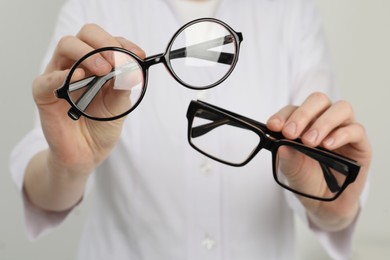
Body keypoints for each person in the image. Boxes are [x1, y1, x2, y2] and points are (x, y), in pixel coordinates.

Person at [10, 0, 371, 259]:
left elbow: (325, 172)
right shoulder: (94, 8)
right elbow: (43, 190)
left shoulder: (292, 13)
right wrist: (69, 167)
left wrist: (333, 206)